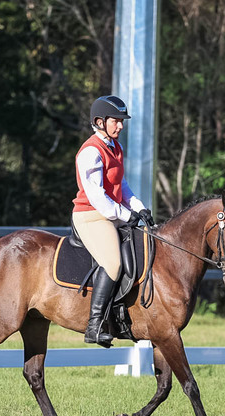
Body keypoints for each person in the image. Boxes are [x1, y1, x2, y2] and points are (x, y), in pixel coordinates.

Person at [72, 95, 155, 346]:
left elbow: (122, 185)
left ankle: (121, 316)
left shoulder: (115, 147)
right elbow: (97, 196)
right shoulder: (90, 152)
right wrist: (124, 214)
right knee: (113, 263)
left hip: (111, 214)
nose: (120, 126)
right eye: (116, 121)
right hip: (91, 216)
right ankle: (94, 325)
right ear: (100, 121)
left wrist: (139, 208)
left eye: (122, 122)